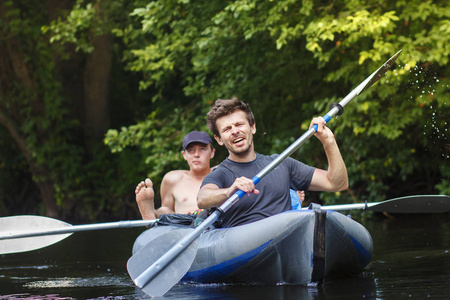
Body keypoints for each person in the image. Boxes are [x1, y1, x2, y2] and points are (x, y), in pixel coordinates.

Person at [197, 97, 348, 227]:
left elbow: (337, 183)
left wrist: (329, 141)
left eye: (239, 124)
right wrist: (229, 191)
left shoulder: (281, 163)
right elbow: (203, 198)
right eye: (227, 129)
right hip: (244, 248)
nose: (235, 131)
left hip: (287, 238)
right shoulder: (221, 173)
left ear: (253, 127)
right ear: (219, 139)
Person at [135, 131, 216, 220]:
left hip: (216, 224)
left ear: (212, 153)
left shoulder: (222, 172)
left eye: (202, 149)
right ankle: (150, 213)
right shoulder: (172, 179)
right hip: (183, 226)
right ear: (184, 155)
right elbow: (167, 213)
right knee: (164, 210)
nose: (196, 154)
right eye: (191, 150)